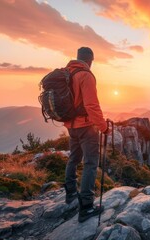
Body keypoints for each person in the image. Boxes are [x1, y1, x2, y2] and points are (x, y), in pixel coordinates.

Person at [63, 47, 109, 223]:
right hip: (86, 127)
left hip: (70, 126)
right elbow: (91, 106)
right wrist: (103, 127)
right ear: (90, 60)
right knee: (90, 163)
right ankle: (87, 207)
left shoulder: (68, 72)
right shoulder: (86, 75)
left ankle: (70, 194)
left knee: (73, 159)